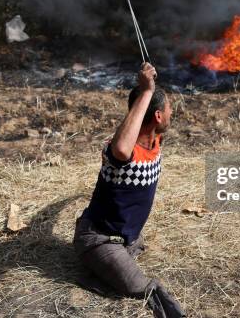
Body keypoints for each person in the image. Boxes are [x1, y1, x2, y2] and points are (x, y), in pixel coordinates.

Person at [72, 63, 185, 318]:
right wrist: (146, 91)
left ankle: (101, 274)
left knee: (134, 251)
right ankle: (100, 270)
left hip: (128, 239)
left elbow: (142, 126)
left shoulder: (156, 139)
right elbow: (121, 148)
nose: (171, 115)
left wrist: (148, 92)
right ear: (157, 116)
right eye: (169, 111)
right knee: (146, 289)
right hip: (99, 241)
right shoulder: (120, 151)